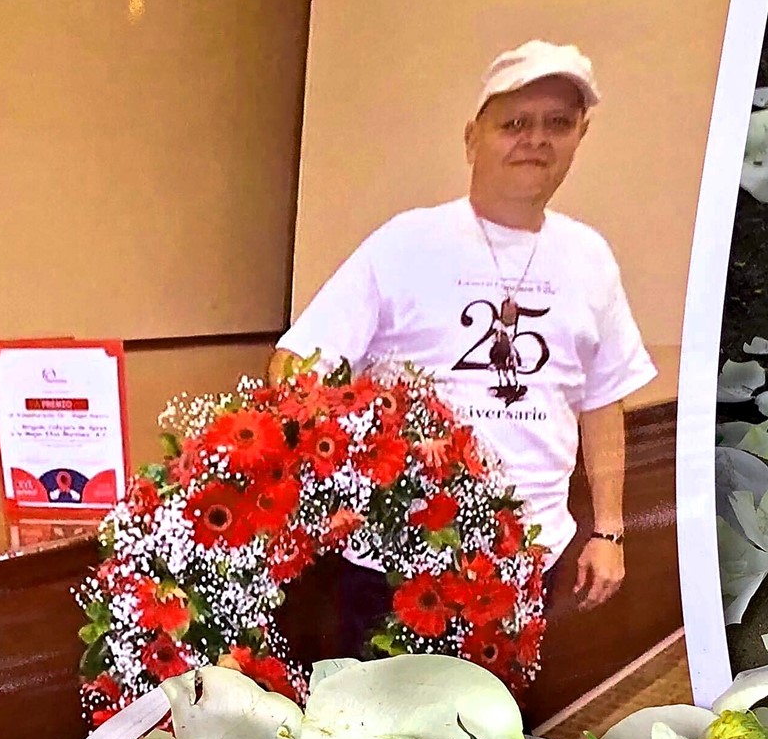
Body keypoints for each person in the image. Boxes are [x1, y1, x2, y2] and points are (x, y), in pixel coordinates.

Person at [269, 40, 657, 657]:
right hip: (396, 564)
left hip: (533, 559)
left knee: (500, 717)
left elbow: (602, 398)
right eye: (514, 124)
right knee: (375, 715)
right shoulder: (405, 243)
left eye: (558, 123)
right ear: (472, 138)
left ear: (580, 136)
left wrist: (609, 531)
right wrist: (353, 459)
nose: (536, 140)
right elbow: (296, 365)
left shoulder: (590, 257)